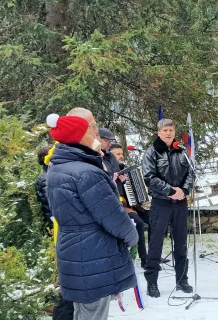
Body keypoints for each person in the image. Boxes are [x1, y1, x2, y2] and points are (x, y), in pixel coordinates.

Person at [45, 109, 138, 320]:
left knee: (82, 313)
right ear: (80, 135)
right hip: (92, 255)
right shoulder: (86, 172)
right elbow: (112, 215)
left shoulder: (59, 166)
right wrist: (132, 236)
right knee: (92, 314)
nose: (97, 134)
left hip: (74, 250)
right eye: (92, 128)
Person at [142, 118, 193, 298]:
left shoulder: (182, 150)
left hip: (180, 203)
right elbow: (149, 178)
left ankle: (182, 280)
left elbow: (191, 173)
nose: (168, 133)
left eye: (171, 129)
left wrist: (184, 190)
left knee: (181, 243)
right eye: (165, 130)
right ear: (159, 132)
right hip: (161, 203)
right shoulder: (152, 152)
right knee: (155, 244)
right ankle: (152, 282)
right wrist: (170, 191)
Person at [110, 143, 149, 269]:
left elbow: (130, 190)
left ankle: (153, 255)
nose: (121, 156)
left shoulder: (123, 169)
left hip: (131, 205)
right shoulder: (108, 170)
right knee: (139, 223)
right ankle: (144, 258)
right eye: (118, 154)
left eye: (122, 154)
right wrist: (116, 179)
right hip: (119, 207)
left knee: (154, 219)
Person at [35, 145, 54, 230]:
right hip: (53, 222)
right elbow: (51, 202)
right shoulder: (47, 178)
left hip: (50, 220)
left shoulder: (45, 175)